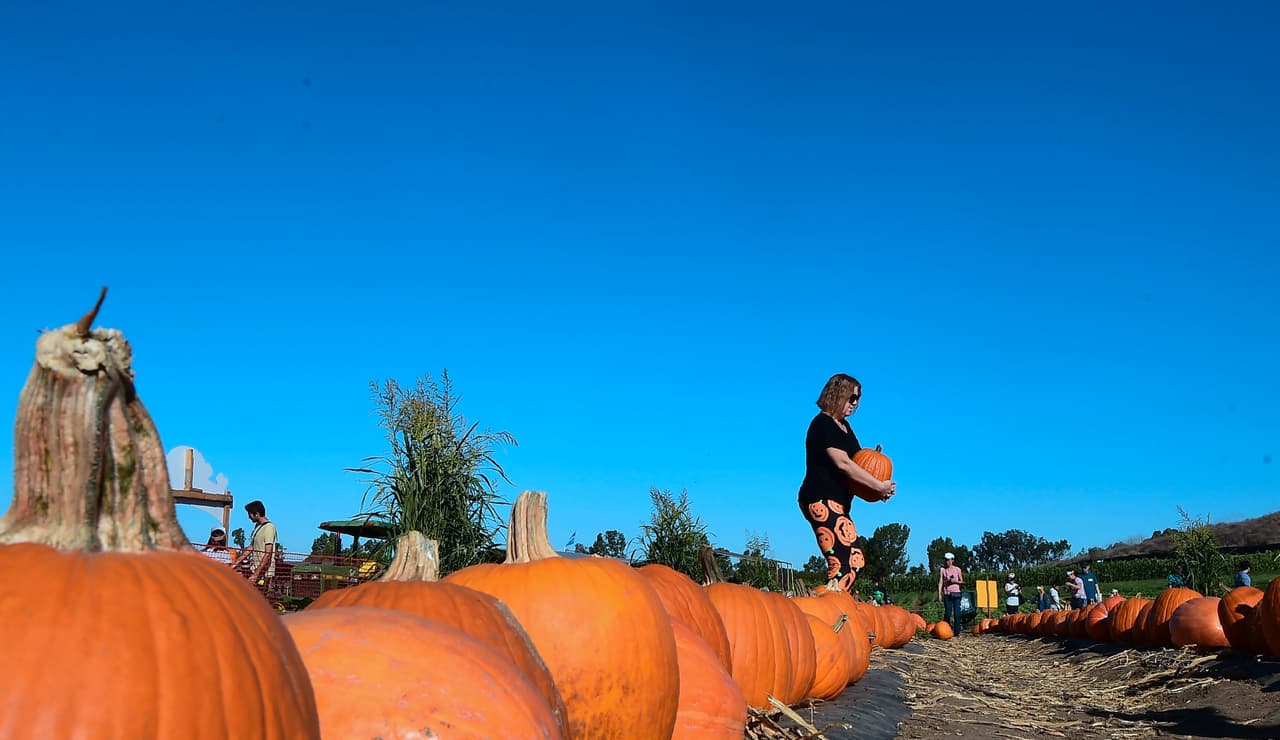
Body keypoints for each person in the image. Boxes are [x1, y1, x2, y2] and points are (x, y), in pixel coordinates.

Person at [797, 373, 897, 592]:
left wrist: (879, 489)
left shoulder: (844, 427)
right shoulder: (822, 424)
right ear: (837, 394)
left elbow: (858, 468)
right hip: (820, 500)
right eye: (852, 398)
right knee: (842, 562)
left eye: (858, 399)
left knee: (855, 561)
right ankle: (820, 613)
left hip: (838, 503)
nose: (855, 404)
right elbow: (843, 463)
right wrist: (877, 486)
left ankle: (835, 608)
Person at [232, 500, 279, 586]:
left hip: (264, 573)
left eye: (249, 514)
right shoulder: (257, 527)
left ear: (256, 514)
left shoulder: (269, 528)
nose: (248, 517)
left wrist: (256, 574)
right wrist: (236, 562)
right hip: (254, 568)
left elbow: (268, 553)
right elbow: (251, 547)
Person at [937, 552, 964, 636]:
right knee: (948, 613)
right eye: (946, 560)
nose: (948, 562)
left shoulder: (957, 569)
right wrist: (939, 594)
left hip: (956, 593)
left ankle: (957, 632)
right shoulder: (943, 570)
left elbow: (962, 581)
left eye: (949, 560)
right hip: (947, 594)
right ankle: (946, 630)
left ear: (953, 560)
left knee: (957, 614)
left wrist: (955, 581)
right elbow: (941, 581)